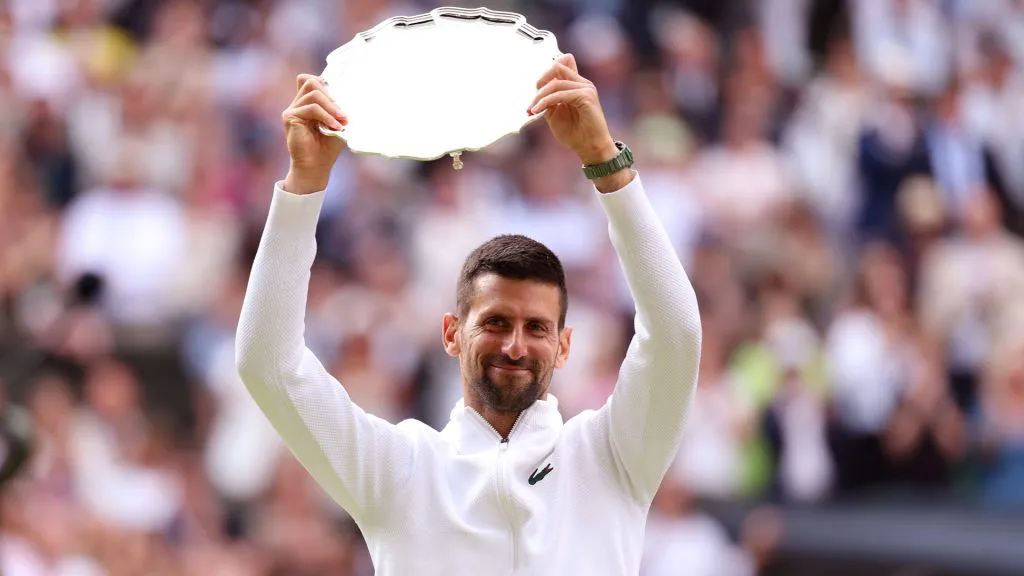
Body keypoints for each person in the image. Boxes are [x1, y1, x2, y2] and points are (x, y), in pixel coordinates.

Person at [235, 53, 702, 575]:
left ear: (565, 345)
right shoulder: (400, 468)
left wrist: (605, 162)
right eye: (496, 322)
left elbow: (676, 333)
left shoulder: (612, 455)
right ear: (452, 334)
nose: (515, 346)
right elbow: (266, 362)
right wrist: (304, 183)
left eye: (537, 328)